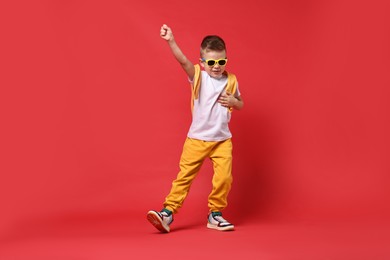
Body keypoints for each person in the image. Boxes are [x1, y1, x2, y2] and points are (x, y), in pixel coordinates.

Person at [147, 24, 244, 233]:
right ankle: (167, 213)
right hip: (197, 139)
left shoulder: (232, 80)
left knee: (224, 178)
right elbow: (182, 60)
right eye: (211, 62)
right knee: (185, 177)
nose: (216, 66)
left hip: (222, 140)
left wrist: (235, 103)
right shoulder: (200, 76)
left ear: (226, 60)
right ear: (202, 62)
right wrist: (171, 40)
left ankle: (215, 214)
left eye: (221, 61)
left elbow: (241, 102)